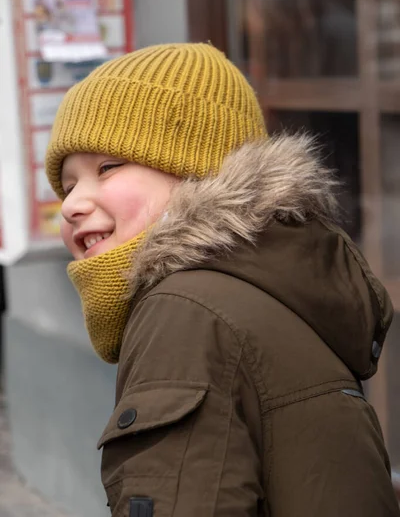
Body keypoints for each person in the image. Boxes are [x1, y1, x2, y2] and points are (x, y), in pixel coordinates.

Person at [45, 43, 400, 517]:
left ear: (196, 171)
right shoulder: (264, 288)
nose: (71, 205)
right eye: (67, 186)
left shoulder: (186, 309)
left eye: (107, 167)